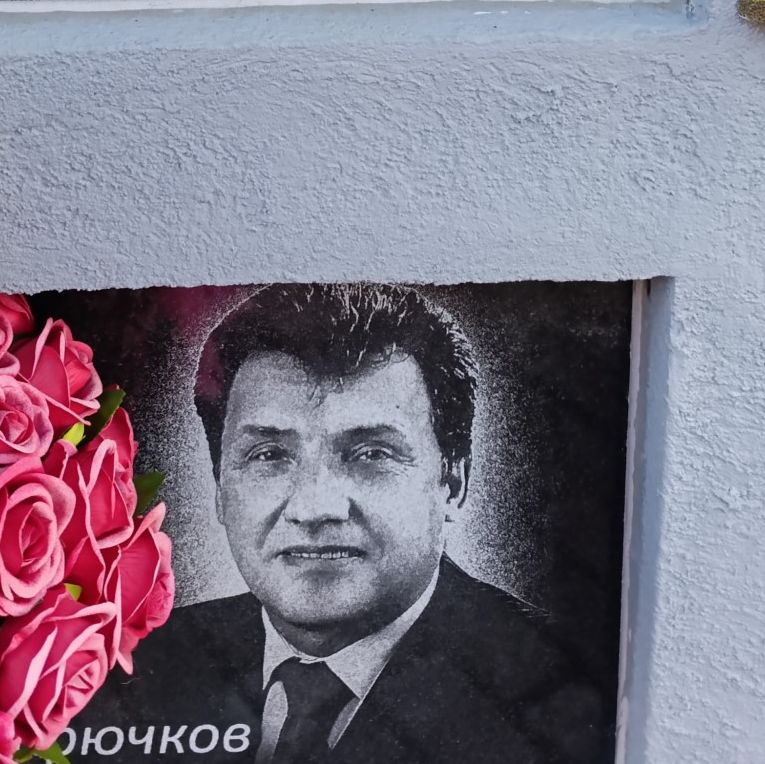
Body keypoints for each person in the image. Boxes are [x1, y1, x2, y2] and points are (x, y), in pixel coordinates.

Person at [80, 284, 613, 763]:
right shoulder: (124, 668)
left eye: (372, 453)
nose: (315, 507)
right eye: (269, 455)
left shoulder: (566, 691)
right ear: (220, 485)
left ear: (452, 482)